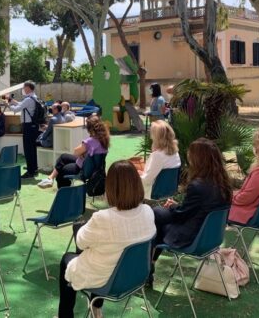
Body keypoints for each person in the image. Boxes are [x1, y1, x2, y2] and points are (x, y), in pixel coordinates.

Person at [58, 160, 156, 318]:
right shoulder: (148, 211)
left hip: (107, 280)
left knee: (67, 259)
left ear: (110, 187)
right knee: (104, 254)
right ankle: (96, 307)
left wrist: (80, 227)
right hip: (135, 277)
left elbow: (81, 242)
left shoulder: (103, 218)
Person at [150, 138, 232, 286]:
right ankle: (150, 265)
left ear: (198, 159)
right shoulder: (224, 184)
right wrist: (177, 206)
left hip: (192, 237)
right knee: (157, 215)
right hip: (212, 237)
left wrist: (172, 207)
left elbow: (180, 216)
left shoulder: (197, 185)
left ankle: (148, 268)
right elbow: (196, 209)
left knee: (155, 216)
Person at [37, 115, 109, 189]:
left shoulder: (90, 141)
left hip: (82, 169)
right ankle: (50, 178)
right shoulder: (104, 140)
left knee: (62, 171)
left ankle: (64, 192)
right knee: (63, 157)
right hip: (95, 169)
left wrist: (82, 153)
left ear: (89, 128)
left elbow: (76, 152)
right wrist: (84, 153)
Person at [138, 120, 181, 199]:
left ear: (156, 137)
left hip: (155, 193)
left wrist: (136, 174)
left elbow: (147, 180)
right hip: (170, 192)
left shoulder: (158, 155)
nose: (150, 136)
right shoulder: (175, 152)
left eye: (151, 133)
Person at [6, 81, 40, 179]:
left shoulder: (28, 99)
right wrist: (12, 100)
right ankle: (34, 168)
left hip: (28, 126)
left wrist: (8, 104)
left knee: (28, 149)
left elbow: (16, 109)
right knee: (32, 148)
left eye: (24, 88)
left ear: (28, 88)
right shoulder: (33, 97)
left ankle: (30, 172)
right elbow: (21, 104)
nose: (23, 89)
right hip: (33, 126)